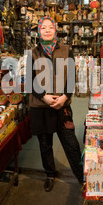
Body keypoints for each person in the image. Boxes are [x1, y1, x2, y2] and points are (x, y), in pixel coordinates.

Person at [29, 16, 83, 192]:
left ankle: (82, 178)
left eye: (49, 27)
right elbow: (30, 81)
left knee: (72, 144)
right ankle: (50, 174)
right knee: (45, 145)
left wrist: (64, 97)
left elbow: (72, 78)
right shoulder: (33, 53)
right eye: (43, 28)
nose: (46, 30)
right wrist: (44, 97)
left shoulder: (67, 50)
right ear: (39, 31)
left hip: (62, 106)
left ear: (55, 30)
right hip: (40, 107)